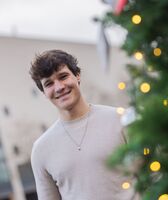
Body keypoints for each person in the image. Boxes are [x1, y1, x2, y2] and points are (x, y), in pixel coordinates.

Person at [29, 49, 133, 200]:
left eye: (63, 77)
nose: (59, 87)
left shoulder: (121, 119)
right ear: (44, 93)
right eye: (49, 84)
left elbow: (152, 177)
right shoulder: (41, 149)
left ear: (77, 76)